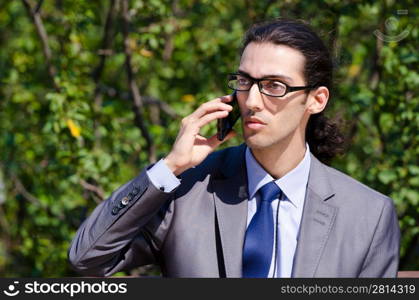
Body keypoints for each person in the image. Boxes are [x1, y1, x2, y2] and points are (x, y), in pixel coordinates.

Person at [68, 19, 400, 278]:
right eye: (245, 82)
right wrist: (169, 167)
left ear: (316, 99)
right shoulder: (187, 192)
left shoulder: (367, 215)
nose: (252, 102)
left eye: (274, 86)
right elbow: (87, 260)